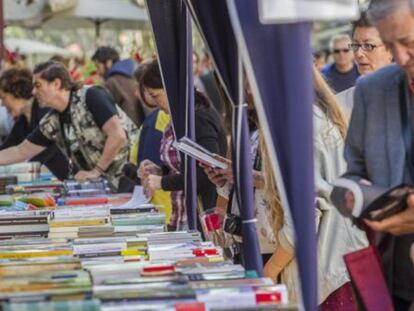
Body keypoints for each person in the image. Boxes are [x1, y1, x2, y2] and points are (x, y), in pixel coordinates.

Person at [262, 66, 367, 309]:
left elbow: (303, 218)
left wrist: (272, 268)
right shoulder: (318, 114)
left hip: (329, 272)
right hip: (347, 260)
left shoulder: (297, 122)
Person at [343, 0, 414, 309]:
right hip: (390, 283)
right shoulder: (371, 90)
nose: (399, 57)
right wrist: (358, 196)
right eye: (388, 44)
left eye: (408, 43)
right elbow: (349, 177)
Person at [0, 61, 136, 190]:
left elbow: (117, 135)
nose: (33, 92)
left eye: (38, 85)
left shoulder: (91, 95)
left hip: (132, 180)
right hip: (107, 188)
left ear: (56, 84)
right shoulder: (52, 121)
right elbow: (21, 151)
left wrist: (97, 171)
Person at [137, 60, 227, 230]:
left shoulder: (198, 118)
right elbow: (184, 168)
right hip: (183, 215)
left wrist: (162, 182)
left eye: (156, 96)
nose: (155, 103)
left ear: (170, 88)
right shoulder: (180, 118)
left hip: (205, 218)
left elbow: (208, 173)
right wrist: (159, 170)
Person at [0, 67, 69, 180]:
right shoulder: (22, 122)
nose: (2, 104)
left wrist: (24, 167)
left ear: (16, 92)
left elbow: (49, 148)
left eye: (3, 98)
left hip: (74, 179)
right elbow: (6, 149)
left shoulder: (45, 113)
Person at [336, 11, 393, 116]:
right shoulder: (340, 105)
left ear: (391, 49)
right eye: (355, 45)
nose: (359, 53)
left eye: (368, 45)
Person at [92, 46, 146, 126]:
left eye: (98, 66)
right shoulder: (136, 70)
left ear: (108, 62)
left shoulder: (111, 82)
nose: (97, 71)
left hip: (132, 129)